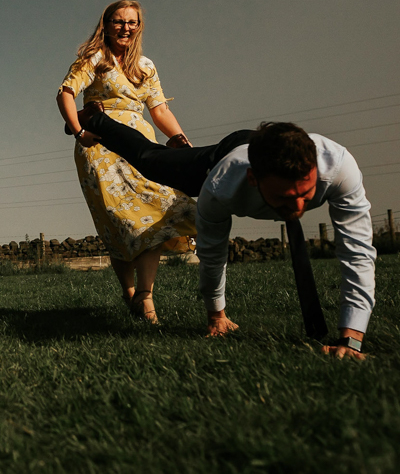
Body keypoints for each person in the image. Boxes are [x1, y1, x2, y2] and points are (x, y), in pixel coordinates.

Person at [74, 104, 375, 359]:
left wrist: (352, 338)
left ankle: (181, 152)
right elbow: (212, 252)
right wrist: (216, 315)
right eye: (284, 197)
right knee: (151, 163)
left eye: (306, 193)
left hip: (267, 147)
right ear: (253, 180)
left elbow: (357, 252)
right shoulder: (221, 186)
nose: (298, 206)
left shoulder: (341, 171)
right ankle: (96, 119)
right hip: (222, 157)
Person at [56, 0, 196, 323]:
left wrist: (181, 141)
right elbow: (65, 93)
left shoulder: (145, 67)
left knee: (158, 207)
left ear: (139, 27)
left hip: (141, 146)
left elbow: (159, 110)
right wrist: (79, 132)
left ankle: (145, 296)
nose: (125, 28)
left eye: (132, 22)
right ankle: (130, 294)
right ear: (105, 26)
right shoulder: (95, 59)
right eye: (118, 22)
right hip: (100, 145)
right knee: (119, 221)